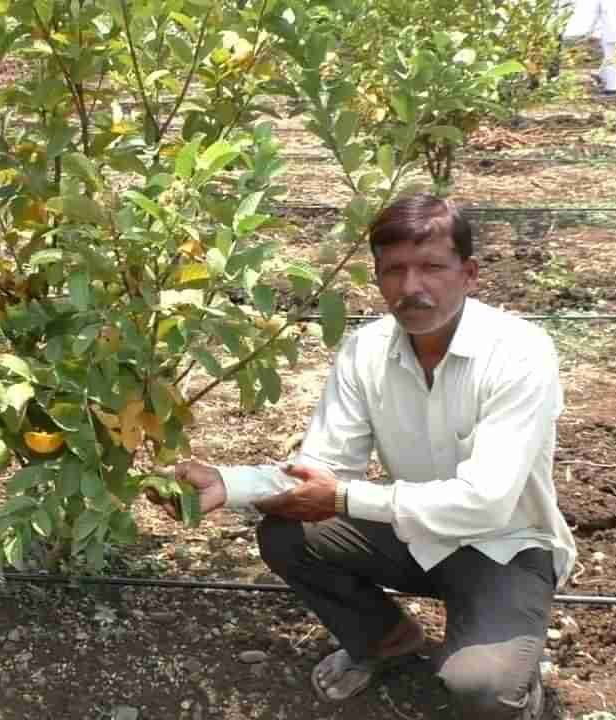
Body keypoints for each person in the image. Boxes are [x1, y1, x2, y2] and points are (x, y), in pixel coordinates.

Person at [149, 195, 576, 719]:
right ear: (377, 278)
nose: (412, 287)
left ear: (469, 273)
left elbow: (486, 502)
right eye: (393, 270)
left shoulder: (518, 352)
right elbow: (322, 469)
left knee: (483, 688)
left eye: (432, 268)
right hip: (416, 537)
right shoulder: (366, 350)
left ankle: (516, 681)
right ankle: (387, 641)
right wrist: (228, 483)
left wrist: (346, 496)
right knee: (289, 531)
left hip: (506, 547)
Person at [562, 0, 616, 96]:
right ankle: (602, 76)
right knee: (612, 56)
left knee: (612, 58)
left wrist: (588, 31)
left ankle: (613, 88)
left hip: (612, 30)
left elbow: (594, 14)